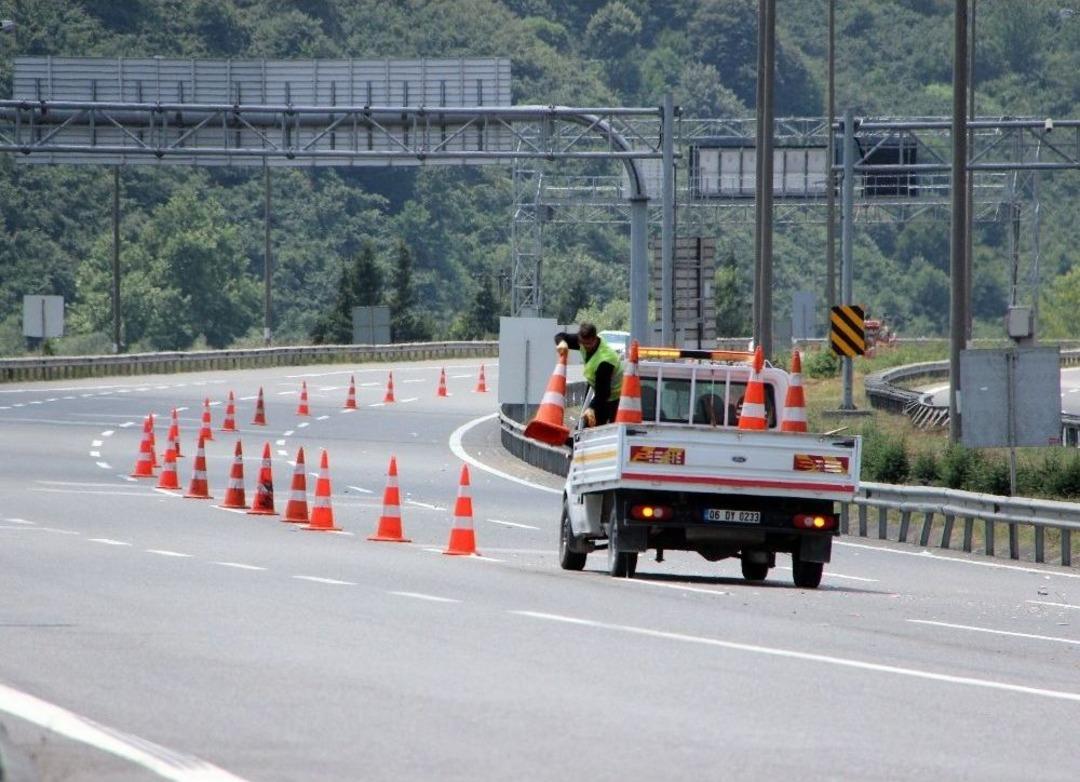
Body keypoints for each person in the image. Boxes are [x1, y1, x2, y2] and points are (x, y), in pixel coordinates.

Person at [554, 322, 624, 427]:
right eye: (583, 343)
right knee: (583, 426)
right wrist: (562, 343)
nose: (586, 346)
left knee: (599, 428)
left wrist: (591, 408)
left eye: (589, 343)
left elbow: (603, 394)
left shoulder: (605, 360)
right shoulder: (581, 341)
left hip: (613, 397)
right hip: (595, 385)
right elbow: (560, 336)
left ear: (595, 338)